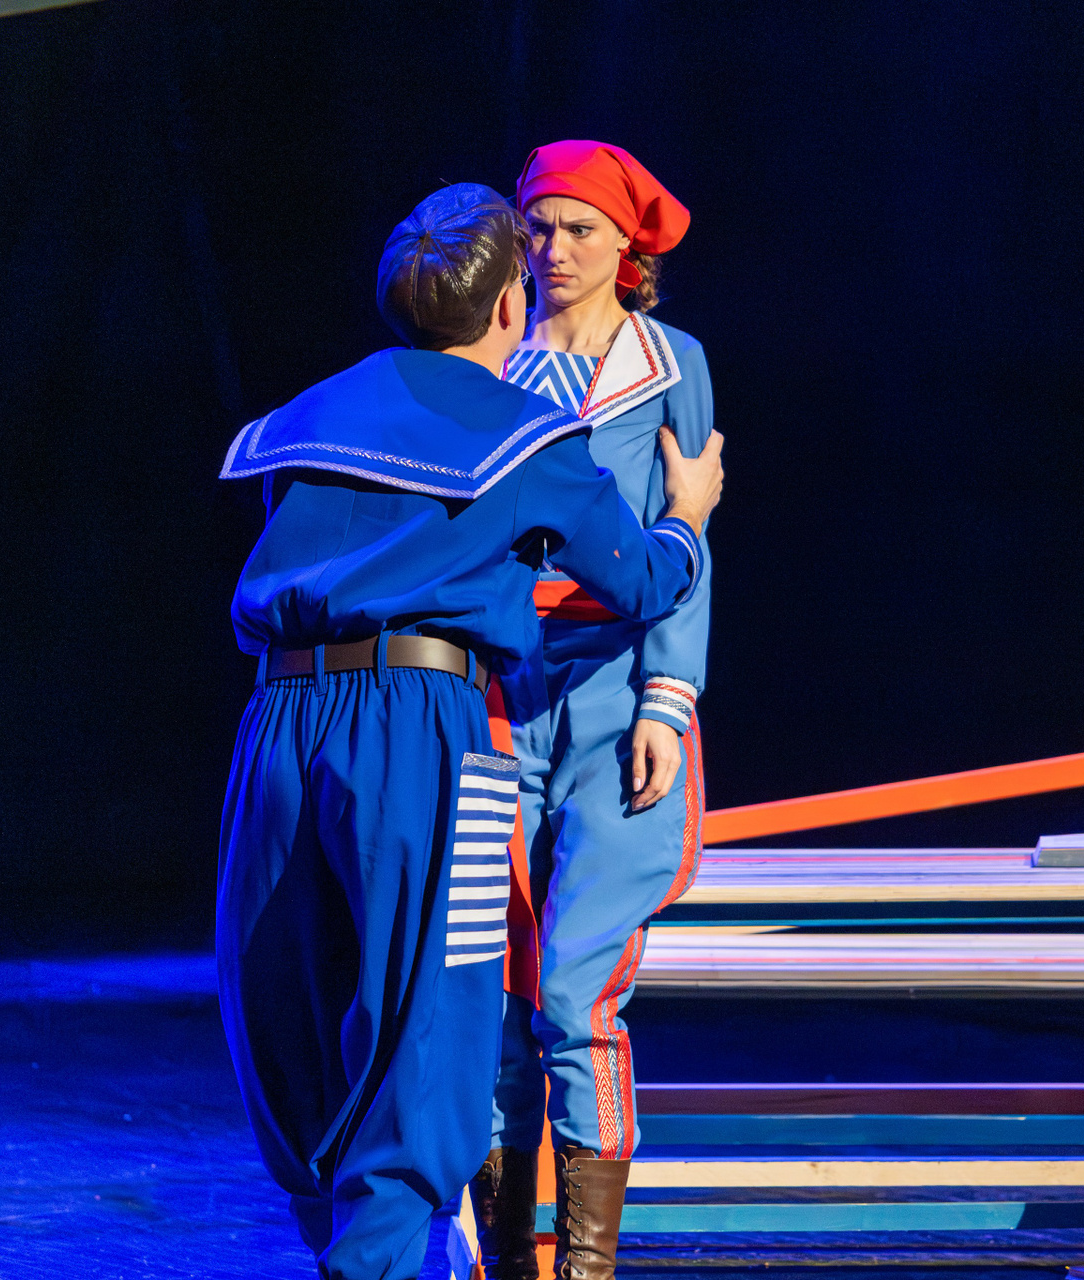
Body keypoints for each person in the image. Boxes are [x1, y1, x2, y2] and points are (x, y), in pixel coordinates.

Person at [214, 182, 725, 1280]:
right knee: (429, 1023)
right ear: (506, 306)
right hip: (421, 726)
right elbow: (641, 578)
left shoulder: (308, 414)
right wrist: (689, 511)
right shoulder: (525, 435)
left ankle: (352, 1244)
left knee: (292, 1001)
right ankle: (382, 1259)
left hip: (278, 723)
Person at [474, 141, 711, 1280]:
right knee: (492, 993)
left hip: (619, 689)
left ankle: (586, 1265)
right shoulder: (490, 360)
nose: (553, 249)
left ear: (625, 244)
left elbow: (688, 528)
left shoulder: (671, 363)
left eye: (578, 229)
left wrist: (668, 696)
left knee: (574, 993)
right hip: (503, 690)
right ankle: (503, 1258)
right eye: (538, 227)